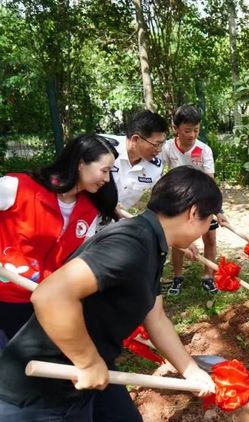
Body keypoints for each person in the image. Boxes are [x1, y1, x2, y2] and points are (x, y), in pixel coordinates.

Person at [0, 166, 219, 421]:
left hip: (82, 381)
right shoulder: (130, 244)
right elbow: (50, 295)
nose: (207, 229)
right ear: (193, 213)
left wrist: (191, 371)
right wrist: (88, 362)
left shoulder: (154, 243)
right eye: (210, 221)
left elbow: (156, 318)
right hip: (40, 389)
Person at [0, 134, 119, 341]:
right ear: (81, 163)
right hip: (5, 297)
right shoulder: (17, 187)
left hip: (45, 300)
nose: (107, 179)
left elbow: (76, 262)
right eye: (104, 170)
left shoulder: (88, 210)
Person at [161, 105, 218, 295]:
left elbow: (209, 180)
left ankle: (208, 277)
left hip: (203, 199)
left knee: (209, 237)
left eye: (196, 130)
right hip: (177, 201)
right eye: (187, 130)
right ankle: (177, 276)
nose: (192, 135)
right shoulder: (167, 147)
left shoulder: (204, 150)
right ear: (175, 128)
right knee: (179, 241)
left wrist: (213, 209)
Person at [102, 110, 169, 210]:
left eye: (162, 144)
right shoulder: (102, 148)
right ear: (136, 139)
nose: (159, 150)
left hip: (116, 222)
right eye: (156, 144)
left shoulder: (155, 168)